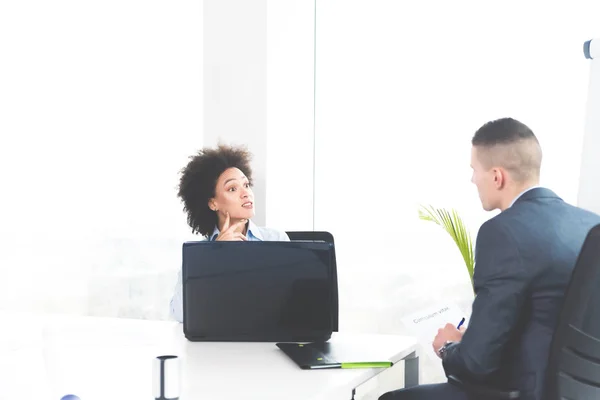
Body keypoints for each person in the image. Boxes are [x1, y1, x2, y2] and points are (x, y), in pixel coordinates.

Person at [380, 118, 600, 400]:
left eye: (474, 170)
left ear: (497, 176)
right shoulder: (589, 225)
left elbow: (475, 365)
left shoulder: (504, 231)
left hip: (522, 391)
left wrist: (448, 346)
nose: (473, 179)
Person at [169, 144, 289, 322]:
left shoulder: (277, 240)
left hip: (266, 342)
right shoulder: (198, 255)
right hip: (217, 345)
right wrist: (215, 256)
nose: (246, 193)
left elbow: (288, 303)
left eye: (246, 185)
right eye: (233, 189)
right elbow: (179, 314)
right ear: (213, 203)